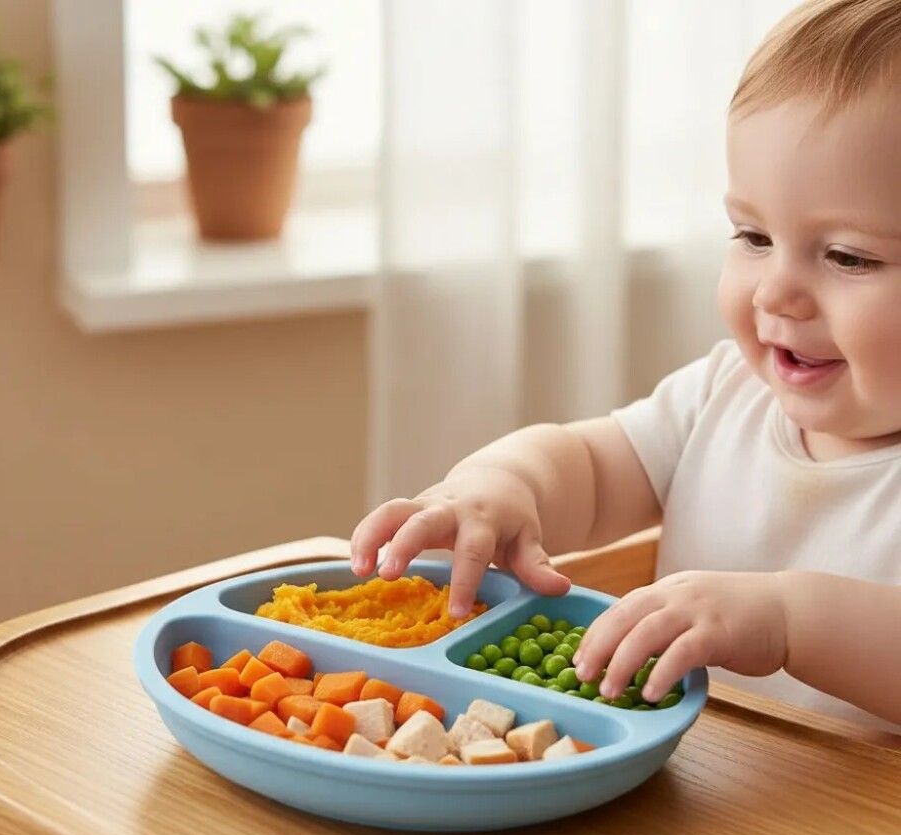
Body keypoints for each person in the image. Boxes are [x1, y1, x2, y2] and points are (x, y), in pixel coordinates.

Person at [351, 0, 901, 732]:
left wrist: (787, 620)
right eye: (753, 235)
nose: (775, 291)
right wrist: (501, 486)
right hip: (692, 800)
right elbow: (589, 461)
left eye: (847, 256)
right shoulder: (724, 395)